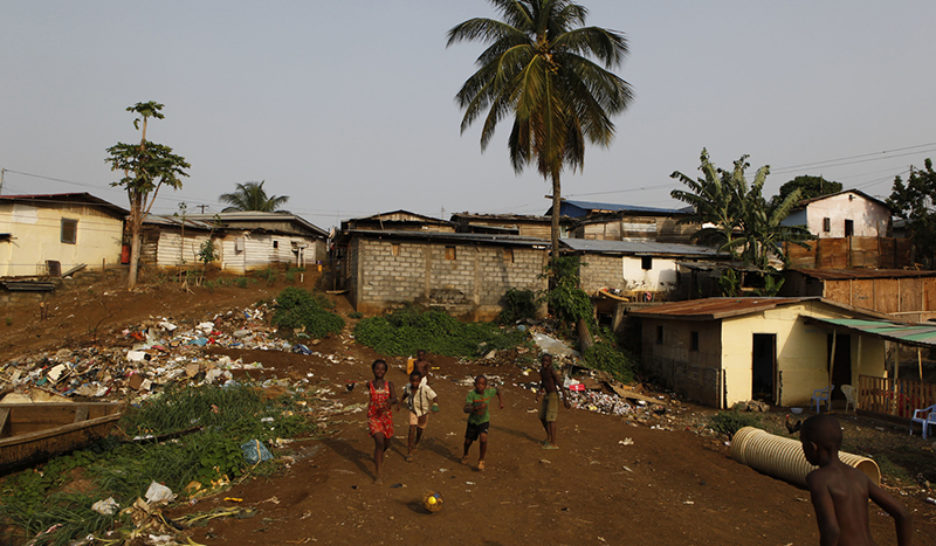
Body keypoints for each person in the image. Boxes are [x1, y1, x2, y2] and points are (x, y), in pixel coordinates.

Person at [800, 414, 912, 545]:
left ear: (812, 447)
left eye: (803, 443)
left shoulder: (818, 479)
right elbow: (903, 514)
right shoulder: (859, 476)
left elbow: (831, 530)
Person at [462, 375, 503, 471]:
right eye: (478, 384)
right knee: (468, 441)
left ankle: (481, 460)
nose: (480, 386)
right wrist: (476, 408)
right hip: (473, 421)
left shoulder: (489, 392)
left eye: (483, 384)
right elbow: (466, 409)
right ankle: (465, 454)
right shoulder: (471, 395)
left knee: (483, 438)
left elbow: (498, 390)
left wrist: (501, 402)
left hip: (484, 420)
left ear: (486, 386)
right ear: (474, 384)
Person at [366, 359, 398, 483]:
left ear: (385, 371)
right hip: (374, 417)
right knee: (379, 441)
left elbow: (395, 398)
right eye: (377, 368)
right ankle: (379, 474)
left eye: (382, 369)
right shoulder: (369, 384)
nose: (380, 371)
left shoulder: (389, 384)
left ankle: (379, 454)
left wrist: (390, 401)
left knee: (386, 443)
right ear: (373, 370)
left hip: (386, 417)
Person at [401, 370, 439, 462]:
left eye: (417, 381)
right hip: (413, 410)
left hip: (423, 411)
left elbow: (434, 397)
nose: (415, 383)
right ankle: (409, 452)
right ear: (410, 380)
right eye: (413, 381)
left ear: (420, 380)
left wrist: (435, 405)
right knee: (411, 428)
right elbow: (405, 394)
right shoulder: (408, 387)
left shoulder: (425, 388)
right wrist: (400, 403)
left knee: (420, 429)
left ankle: (417, 441)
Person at [536, 353, 570, 450]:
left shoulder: (552, 371)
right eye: (543, 360)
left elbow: (560, 384)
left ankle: (554, 443)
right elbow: (543, 382)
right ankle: (549, 436)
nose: (544, 363)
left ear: (550, 362)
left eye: (546, 361)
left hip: (553, 396)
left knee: (551, 419)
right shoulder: (542, 371)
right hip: (547, 395)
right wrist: (539, 392)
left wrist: (565, 398)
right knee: (542, 416)